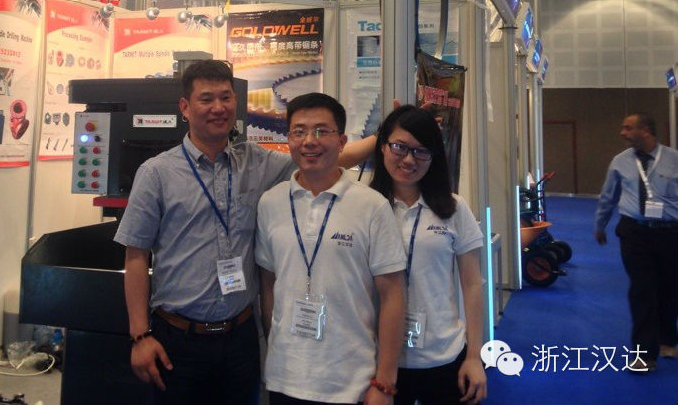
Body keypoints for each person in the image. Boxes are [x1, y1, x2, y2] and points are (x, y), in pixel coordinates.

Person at [113, 61, 376, 404]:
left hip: (240, 339)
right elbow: (136, 256)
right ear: (185, 107)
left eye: (226, 97)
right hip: (178, 339)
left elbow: (325, 158)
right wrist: (139, 336)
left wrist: (386, 135)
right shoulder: (156, 173)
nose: (218, 107)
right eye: (206, 99)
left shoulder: (256, 161)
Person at [256, 93, 406, 405]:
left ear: (342, 141)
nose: (309, 141)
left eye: (321, 131)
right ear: (289, 140)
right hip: (285, 378)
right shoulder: (270, 202)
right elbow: (268, 284)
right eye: (299, 131)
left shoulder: (371, 206)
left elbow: (393, 294)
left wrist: (385, 381)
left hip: (351, 381)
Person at [370, 104, 486, 405]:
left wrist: (475, 356)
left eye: (421, 151)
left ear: (434, 157)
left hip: (444, 354)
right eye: (399, 147)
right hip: (380, 360)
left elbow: (473, 284)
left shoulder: (453, 208)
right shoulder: (366, 207)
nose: (409, 159)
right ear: (382, 147)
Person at [594, 112, 678, 372]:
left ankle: (667, 339)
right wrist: (600, 224)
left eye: (628, 128)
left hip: (669, 233)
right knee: (642, 290)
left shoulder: (673, 159)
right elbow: (608, 196)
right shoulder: (620, 162)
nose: (622, 133)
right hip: (634, 232)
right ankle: (644, 354)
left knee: (669, 288)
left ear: (646, 131)